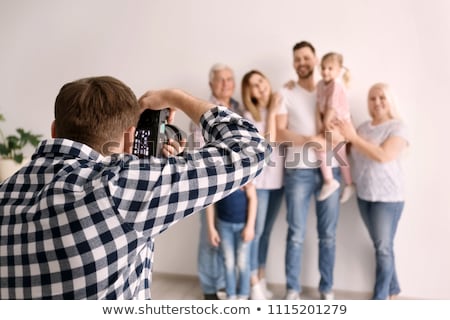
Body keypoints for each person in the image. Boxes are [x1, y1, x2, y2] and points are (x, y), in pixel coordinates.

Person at [0, 76, 269, 299]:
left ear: (55, 130)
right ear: (130, 136)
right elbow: (252, 148)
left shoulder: (7, 190)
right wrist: (177, 97)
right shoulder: (120, 187)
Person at [276, 41, 341, 300]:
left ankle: (327, 289)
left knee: (328, 235)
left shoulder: (331, 90)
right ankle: (292, 289)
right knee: (296, 234)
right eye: (297, 59)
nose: (302, 63)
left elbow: (340, 126)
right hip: (298, 171)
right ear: (294, 64)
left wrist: (327, 139)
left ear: (315, 60)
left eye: (306, 58)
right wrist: (309, 140)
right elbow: (280, 133)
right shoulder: (286, 92)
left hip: (331, 170)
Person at [336, 82, 408, 300]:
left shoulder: (398, 127)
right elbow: (349, 150)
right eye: (372, 98)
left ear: (390, 100)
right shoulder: (364, 127)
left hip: (388, 197)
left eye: (381, 97)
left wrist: (353, 137)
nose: (377, 102)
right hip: (364, 195)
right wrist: (340, 132)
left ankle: (379, 299)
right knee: (382, 246)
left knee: (383, 248)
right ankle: (393, 291)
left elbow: (383, 155)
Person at [190, 63, 244, 300]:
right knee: (209, 238)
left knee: (227, 241)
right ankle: (210, 289)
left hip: (236, 188)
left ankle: (224, 285)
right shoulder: (203, 111)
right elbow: (197, 151)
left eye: (230, 79)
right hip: (211, 186)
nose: (226, 83)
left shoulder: (240, 109)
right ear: (211, 83)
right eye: (221, 79)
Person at [241, 70, 285, 299]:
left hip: (278, 182)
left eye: (261, 81)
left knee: (266, 233)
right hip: (259, 183)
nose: (260, 87)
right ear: (249, 94)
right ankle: (252, 282)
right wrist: (273, 112)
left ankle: (261, 275)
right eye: (253, 86)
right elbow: (270, 142)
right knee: (255, 233)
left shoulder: (278, 107)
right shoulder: (249, 115)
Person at [314, 52, 354, 203]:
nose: (325, 71)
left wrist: (325, 125)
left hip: (340, 122)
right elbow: (319, 106)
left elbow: (332, 107)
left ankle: (330, 181)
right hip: (330, 121)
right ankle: (347, 183)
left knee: (320, 146)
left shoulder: (336, 85)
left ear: (338, 71)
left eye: (330, 68)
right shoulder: (319, 85)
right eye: (323, 68)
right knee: (339, 154)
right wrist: (320, 123)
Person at [206, 182, 257, 300]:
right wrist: (211, 229)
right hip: (224, 226)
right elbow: (209, 203)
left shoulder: (246, 177)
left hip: (244, 225)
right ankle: (231, 295)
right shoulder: (219, 179)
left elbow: (253, 198)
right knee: (228, 262)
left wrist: (250, 226)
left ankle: (244, 295)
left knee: (243, 262)